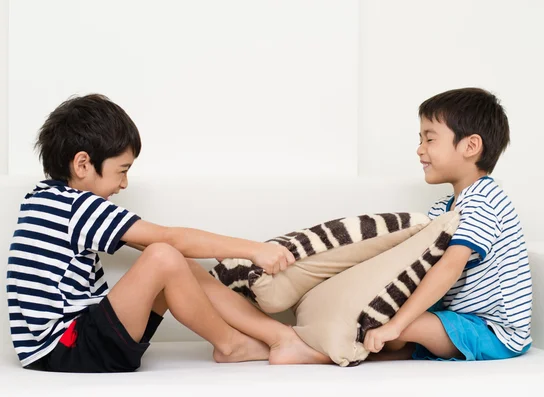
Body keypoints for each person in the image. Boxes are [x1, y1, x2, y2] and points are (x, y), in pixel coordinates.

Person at [6, 93, 331, 372]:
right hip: (68, 347)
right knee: (164, 255)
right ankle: (231, 345)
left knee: (176, 262)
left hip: (68, 344)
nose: (124, 184)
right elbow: (168, 239)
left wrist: (217, 248)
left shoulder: (46, 201)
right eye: (121, 171)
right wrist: (252, 249)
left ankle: (282, 338)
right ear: (82, 165)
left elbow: (155, 243)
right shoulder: (76, 207)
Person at [364, 88, 532, 361]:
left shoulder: (484, 201)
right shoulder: (441, 209)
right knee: (379, 327)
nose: (419, 150)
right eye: (420, 139)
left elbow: (450, 268)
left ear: (470, 146)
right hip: (455, 319)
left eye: (430, 139)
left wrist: (396, 324)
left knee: (399, 326)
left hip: (494, 333)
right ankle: (311, 350)